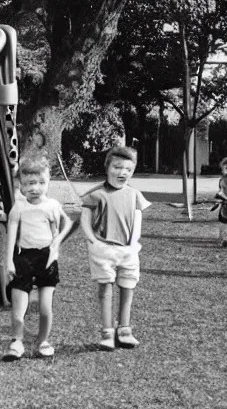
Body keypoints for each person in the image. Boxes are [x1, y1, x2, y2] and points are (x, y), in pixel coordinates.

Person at [2, 155, 73, 361]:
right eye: (30, 183)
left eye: (41, 183)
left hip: (46, 259)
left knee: (44, 309)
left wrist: (58, 240)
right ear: (22, 185)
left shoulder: (51, 205)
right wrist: (8, 261)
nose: (36, 188)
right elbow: (11, 234)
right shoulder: (19, 207)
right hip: (23, 259)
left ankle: (43, 341)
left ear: (48, 182)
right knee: (18, 309)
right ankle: (17, 342)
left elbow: (67, 222)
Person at [80, 145, 150, 351]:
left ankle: (125, 329)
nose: (122, 173)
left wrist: (134, 243)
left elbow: (138, 220)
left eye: (128, 169)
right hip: (103, 250)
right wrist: (94, 242)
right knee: (105, 288)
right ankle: (107, 332)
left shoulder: (135, 194)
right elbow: (85, 220)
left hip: (128, 251)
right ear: (107, 167)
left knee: (128, 287)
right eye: (117, 167)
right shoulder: (95, 194)